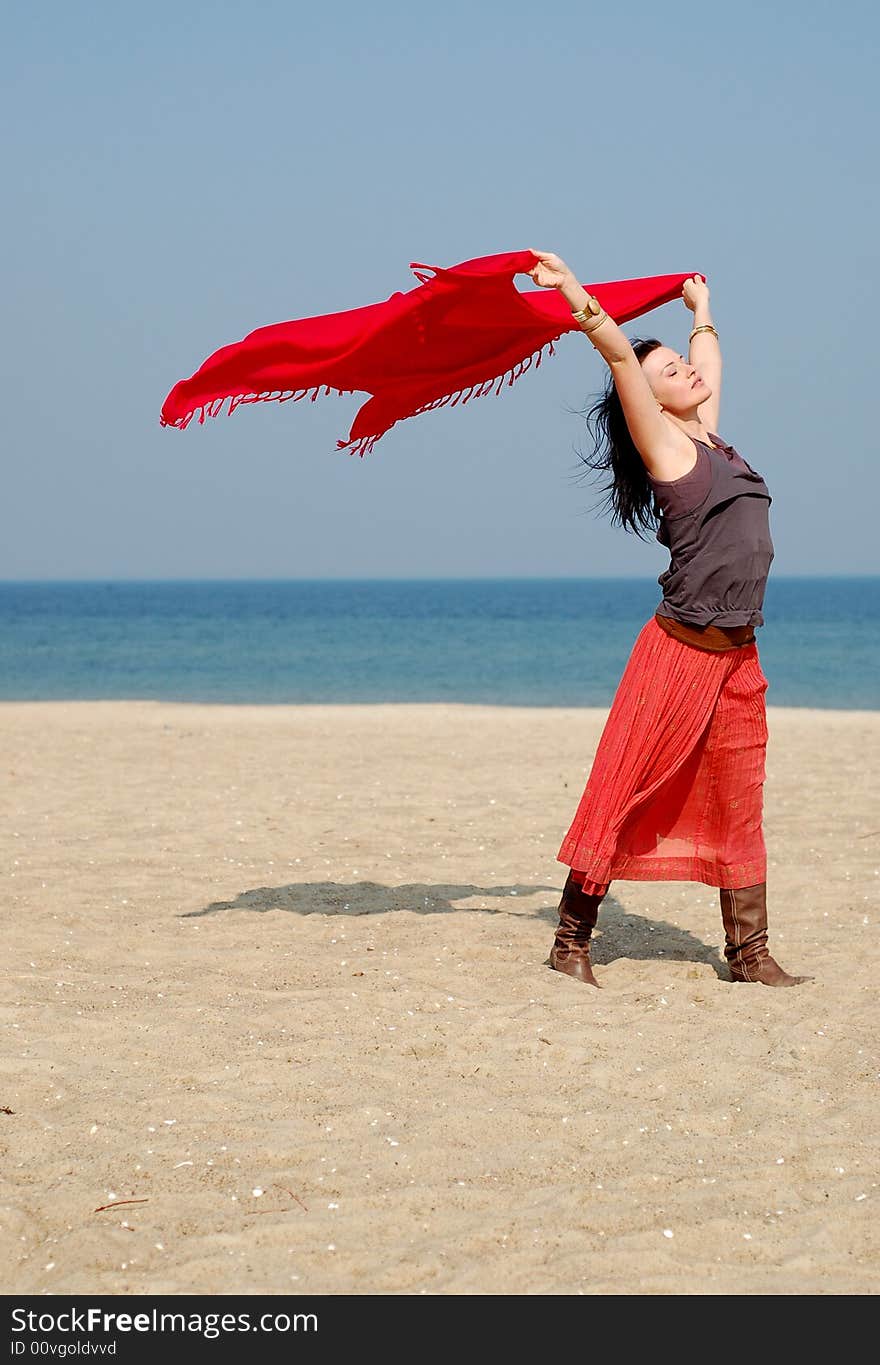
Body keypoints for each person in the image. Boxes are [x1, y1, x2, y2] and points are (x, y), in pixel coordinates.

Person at [527, 248, 811, 990]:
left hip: (740, 654)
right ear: (649, 402)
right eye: (669, 374)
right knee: (625, 786)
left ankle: (748, 953)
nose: (685, 372)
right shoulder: (665, 444)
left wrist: (702, 315)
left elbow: (709, 366)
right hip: (679, 650)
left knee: (740, 795)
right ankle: (569, 939)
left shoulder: (713, 435)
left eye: (683, 368)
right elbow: (620, 354)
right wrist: (575, 294)